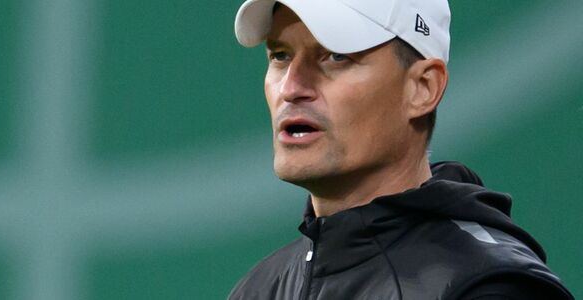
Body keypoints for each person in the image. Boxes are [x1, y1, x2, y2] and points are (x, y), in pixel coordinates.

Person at [228, 0, 573, 299]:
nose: (291, 87)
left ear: (423, 88)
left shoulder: (489, 288)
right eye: (280, 55)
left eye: (335, 56)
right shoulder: (260, 289)